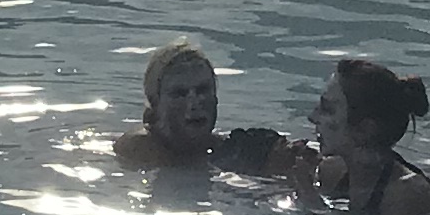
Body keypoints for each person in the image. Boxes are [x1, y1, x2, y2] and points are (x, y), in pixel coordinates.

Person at [111, 39, 299, 178]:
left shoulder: (221, 149)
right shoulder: (138, 145)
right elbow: (184, 175)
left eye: (202, 90)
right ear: (156, 104)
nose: (194, 103)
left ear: (215, 98)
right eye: (179, 94)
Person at [294, 58, 430, 215]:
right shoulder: (330, 172)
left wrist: (315, 206)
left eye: (327, 109)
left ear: (365, 129)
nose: (312, 117)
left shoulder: (407, 194)